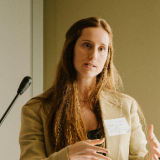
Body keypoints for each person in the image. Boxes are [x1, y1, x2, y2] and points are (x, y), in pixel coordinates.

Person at [19, 17, 160, 160]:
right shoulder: (35, 110)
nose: (93, 55)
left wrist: (151, 157)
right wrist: (67, 156)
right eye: (87, 45)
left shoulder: (125, 106)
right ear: (71, 49)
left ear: (107, 56)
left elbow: (137, 157)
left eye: (101, 49)